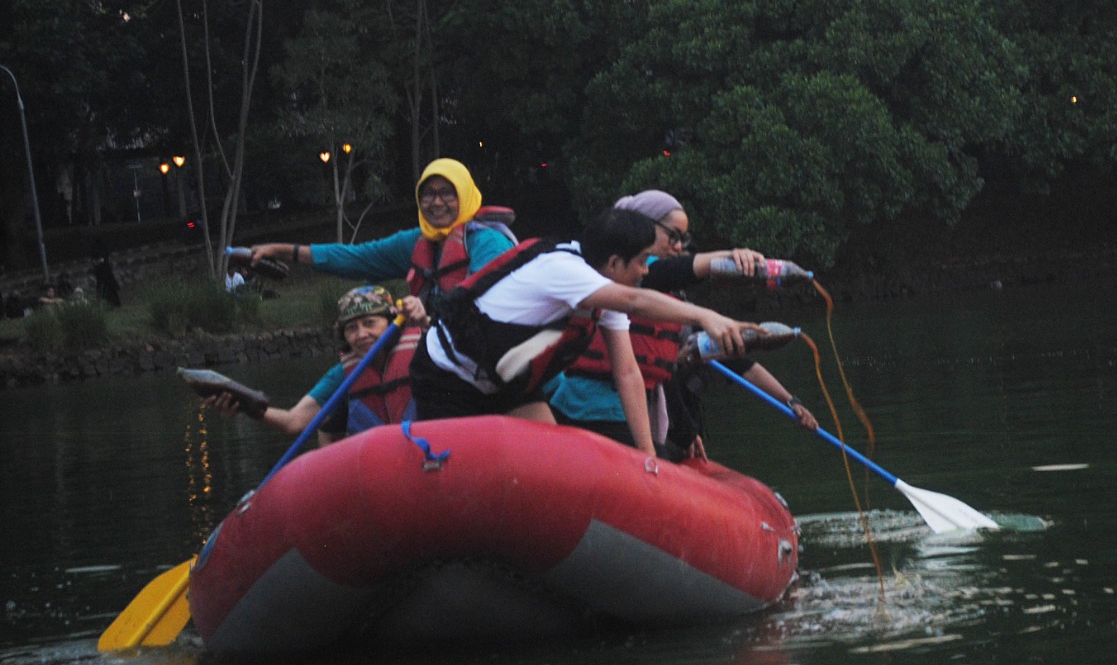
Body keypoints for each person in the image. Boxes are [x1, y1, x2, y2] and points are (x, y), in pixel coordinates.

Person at [408, 207, 757, 457]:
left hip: (506, 383)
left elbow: (627, 372)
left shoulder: (603, 291)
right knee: (456, 467)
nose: (645, 271)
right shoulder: (562, 269)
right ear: (615, 263)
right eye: (640, 262)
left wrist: (649, 456)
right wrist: (707, 316)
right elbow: (635, 300)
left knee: (552, 460)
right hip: (448, 378)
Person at [545, 189, 818, 458]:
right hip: (590, 408)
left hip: (641, 412)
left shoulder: (667, 298)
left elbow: (738, 361)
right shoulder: (625, 278)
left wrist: (789, 400)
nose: (678, 246)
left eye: (683, 239)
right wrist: (729, 257)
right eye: (672, 236)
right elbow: (672, 272)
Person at [245, 158, 514, 317]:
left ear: (465, 195)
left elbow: (486, 308)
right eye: (428, 194)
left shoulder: (490, 243)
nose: (436, 202)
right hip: (449, 358)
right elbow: (356, 259)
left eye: (447, 192)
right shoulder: (417, 242)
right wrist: (282, 251)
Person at [205, 285, 425, 446]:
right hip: (378, 468)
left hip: (429, 455)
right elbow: (293, 421)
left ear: (391, 323)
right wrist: (245, 406)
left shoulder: (424, 351)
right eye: (351, 329)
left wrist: (424, 321)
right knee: (329, 427)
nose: (361, 335)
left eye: (370, 323)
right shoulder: (343, 375)